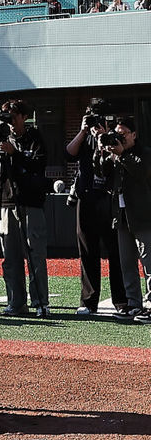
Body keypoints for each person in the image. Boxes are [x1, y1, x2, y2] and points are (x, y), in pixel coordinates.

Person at [0, 99, 50, 317]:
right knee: (10, 257)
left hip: (30, 202)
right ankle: (15, 302)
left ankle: (40, 302)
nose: (10, 122)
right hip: (6, 201)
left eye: (13, 116)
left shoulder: (34, 137)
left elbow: (38, 165)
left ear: (23, 116)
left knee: (35, 254)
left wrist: (15, 153)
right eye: (7, 117)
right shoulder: (2, 138)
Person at [65, 107, 128, 316]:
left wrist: (105, 139)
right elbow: (68, 153)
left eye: (97, 121)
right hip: (87, 198)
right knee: (87, 250)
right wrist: (83, 132)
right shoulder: (85, 139)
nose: (94, 126)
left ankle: (121, 300)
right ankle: (89, 300)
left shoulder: (113, 139)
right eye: (91, 120)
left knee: (115, 251)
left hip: (108, 199)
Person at [103, 117, 151, 323]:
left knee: (149, 263)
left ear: (134, 134)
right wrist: (102, 151)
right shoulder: (114, 155)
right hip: (121, 216)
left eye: (123, 134)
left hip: (143, 216)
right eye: (116, 133)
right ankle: (133, 304)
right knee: (126, 264)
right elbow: (102, 175)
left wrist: (122, 155)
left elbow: (141, 173)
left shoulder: (145, 153)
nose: (119, 138)